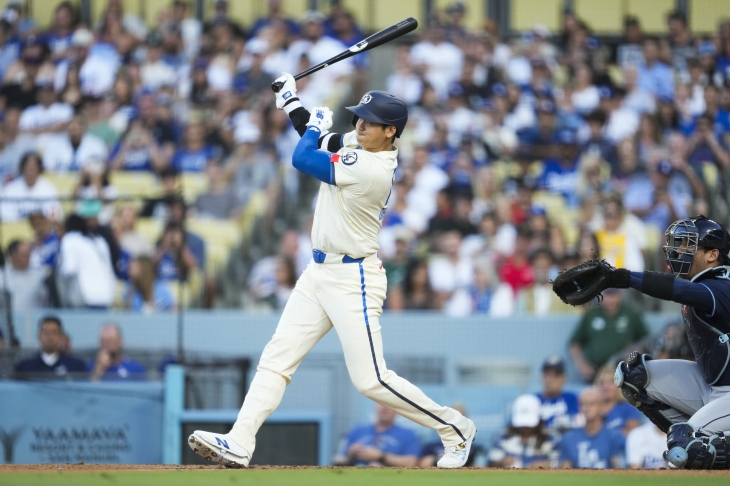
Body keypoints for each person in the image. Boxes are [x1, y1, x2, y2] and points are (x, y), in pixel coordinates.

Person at [188, 74, 476, 468]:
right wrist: (291, 101)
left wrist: (315, 127)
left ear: (391, 132)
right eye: (359, 116)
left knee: (370, 380)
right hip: (318, 271)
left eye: (370, 121)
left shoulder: (372, 167)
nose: (360, 124)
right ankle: (240, 441)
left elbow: (303, 157)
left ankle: (454, 427)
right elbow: (320, 141)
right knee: (277, 358)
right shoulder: (362, 144)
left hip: (353, 278)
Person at [612, 215, 730, 469]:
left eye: (689, 245)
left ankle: (697, 444)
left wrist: (622, 277)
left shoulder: (722, 285)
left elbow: (676, 290)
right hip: (715, 387)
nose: (679, 251)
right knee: (635, 377)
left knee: (687, 446)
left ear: (712, 255)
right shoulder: (705, 284)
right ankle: (701, 439)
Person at [569, 288, 649, 383]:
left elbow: (646, 340)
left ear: (620, 295)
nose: (610, 299)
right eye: (607, 295)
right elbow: (574, 344)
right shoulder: (591, 315)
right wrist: (581, 365)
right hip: (596, 373)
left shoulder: (630, 314)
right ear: (600, 295)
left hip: (623, 371)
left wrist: (633, 355)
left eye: (613, 295)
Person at [332, 404, 421, 467]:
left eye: (390, 405)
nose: (384, 408)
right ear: (375, 406)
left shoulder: (408, 434)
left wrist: (380, 457)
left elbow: (412, 463)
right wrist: (350, 455)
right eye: (381, 403)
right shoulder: (357, 430)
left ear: (397, 411)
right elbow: (337, 460)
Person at [57, 214, 116, 309]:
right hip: (106, 294)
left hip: (85, 296)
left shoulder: (70, 239)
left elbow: (69, 269)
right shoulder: (99, 239)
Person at [558, 387, 626, 469]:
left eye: (591, 404)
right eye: (582, 404)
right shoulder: (568, 438)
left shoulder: (614, 437)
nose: (586, 408)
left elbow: (620, 469)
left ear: (601, 406)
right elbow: (565, 471)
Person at [488, 394, 556, 469]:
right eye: (522, 424)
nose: (525, 428)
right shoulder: (502, 437)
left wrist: (546, 465)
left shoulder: (549, 439)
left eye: (529, 425)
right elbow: (491, 463)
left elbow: (559, 462)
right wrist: (502, 461)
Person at [14, 316, 86, 379]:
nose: (50, 337)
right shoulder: (25, 366)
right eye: (46, 332)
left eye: (54, 332)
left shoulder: (76, 366)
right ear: (39, 336)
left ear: (61, 336)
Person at [0, 239, 48, 313]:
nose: (29, 258)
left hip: (31, 321)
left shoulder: (39, 276)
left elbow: (46, 300)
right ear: (14, 255)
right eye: (25, 255)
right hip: (6, 321)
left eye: (29, 255)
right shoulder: (2, 275)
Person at [536, 356, 579, 435]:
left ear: (564, 378)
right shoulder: (532, 400)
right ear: (541, 377)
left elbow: (578, 425)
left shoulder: (572, 399)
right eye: (547, 374)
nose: (550, 379)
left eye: (556, 375)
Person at [594, 364, 642, 436]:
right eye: (602, 383)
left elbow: (634, 434)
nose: (606, 386)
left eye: (611, 382)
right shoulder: (593, 409)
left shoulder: (628, 407)